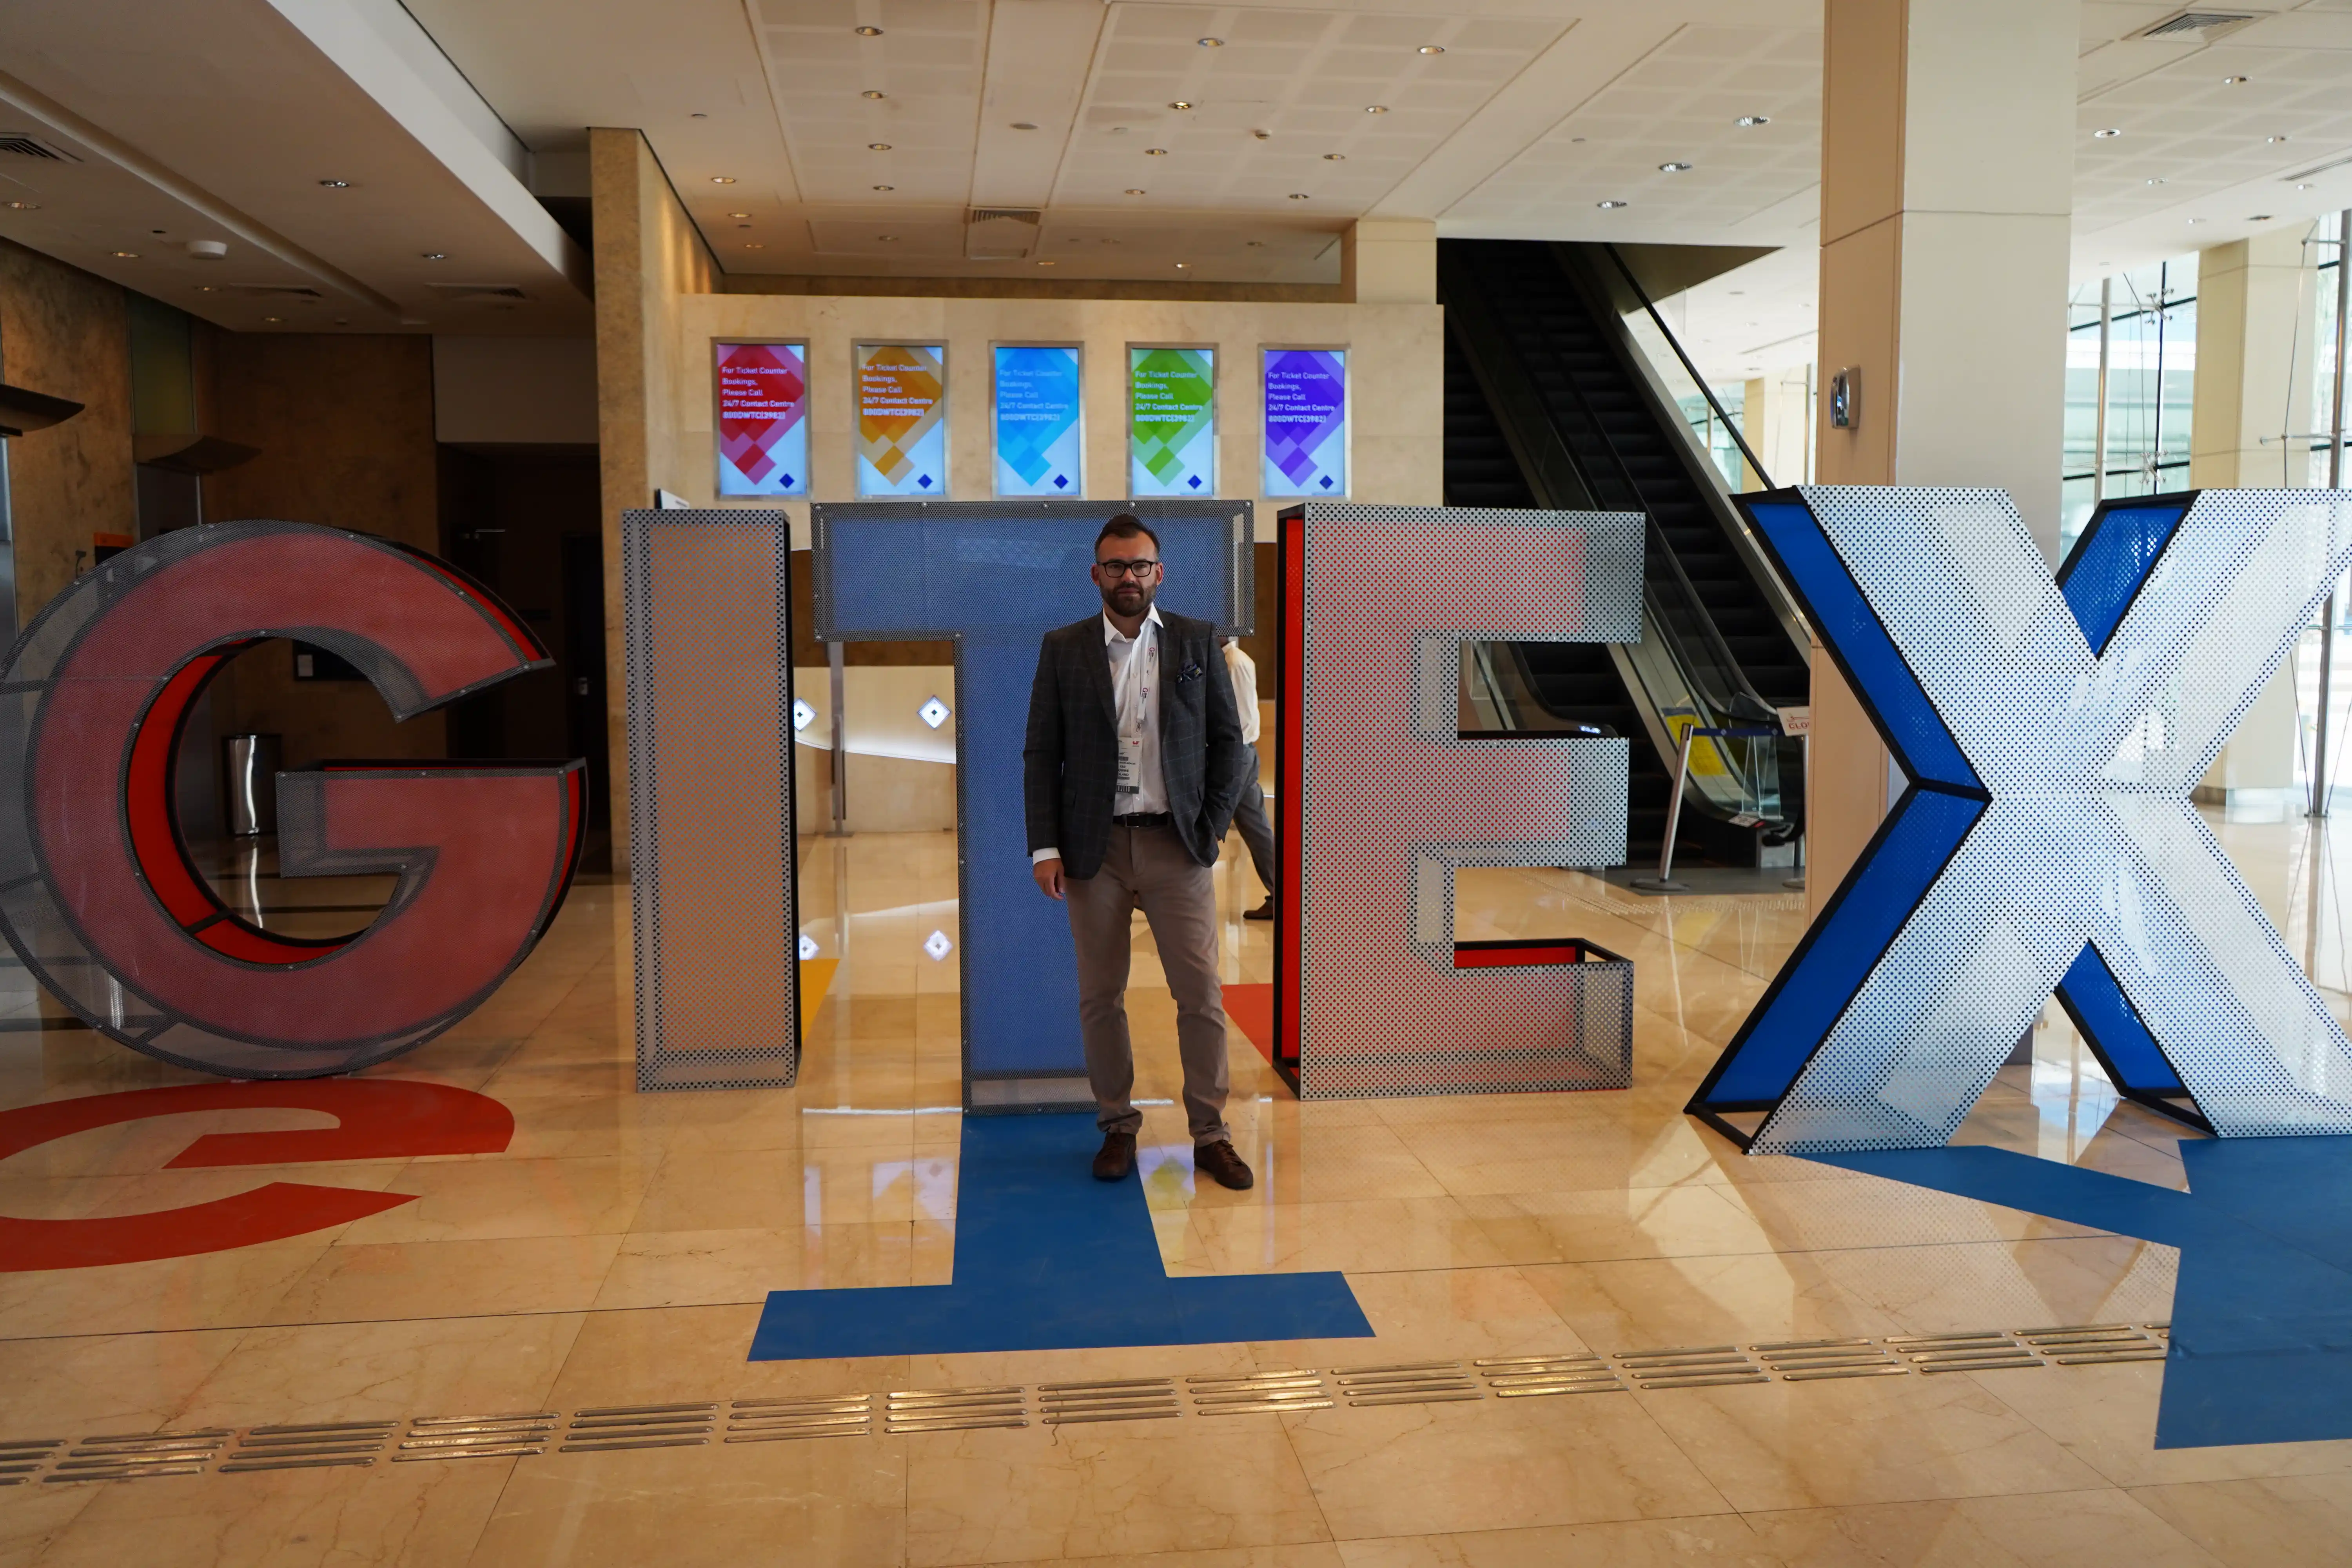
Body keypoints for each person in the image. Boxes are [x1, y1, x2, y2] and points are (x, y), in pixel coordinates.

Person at [1023, 515, 1255, 1189]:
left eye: (1141, 565)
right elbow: (1043, 753)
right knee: (1100, 998)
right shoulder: (1063, 648)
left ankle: (1210, 1135)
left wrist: (1210, 830)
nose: (1130, 577)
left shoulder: (1195, 641)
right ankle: (1117, 1126)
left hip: (1175, 846)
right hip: (1092, 852)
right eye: (1117, 566)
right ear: (1095, 574)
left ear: (1160, 572)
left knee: (1201, 997)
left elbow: (1230, 746)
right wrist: (1044, 847)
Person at [1223, 637, 1276, 920]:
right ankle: (1282, 895)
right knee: (1258, 830)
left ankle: (1156, 892)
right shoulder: (1226, 661)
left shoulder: (1235, 663)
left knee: (1203, 823)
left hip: (1236, 757)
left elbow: (1241, 719)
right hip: (1239, 755)